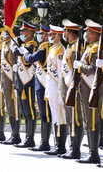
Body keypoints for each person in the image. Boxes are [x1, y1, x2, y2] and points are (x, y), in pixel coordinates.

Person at [73, 19, 103, 164]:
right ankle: (92, 152)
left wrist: (79, 66)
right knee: (88, 121)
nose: (86, 35)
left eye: (88, 32)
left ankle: (93, 154)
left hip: (92, 90)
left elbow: (93, 69)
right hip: (85, 90)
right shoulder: (90, 47)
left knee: (92, 121)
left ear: (93, 33)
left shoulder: (96, 48)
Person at [21, 25, 52, 151]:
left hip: (44, 84)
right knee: (44, 114)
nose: (39, 36)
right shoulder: (43, 47)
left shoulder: (45, 48)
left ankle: (45, 143)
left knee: (46, 114)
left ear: (45, 35)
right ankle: (43, 142)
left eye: (41, 34)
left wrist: (25, 52)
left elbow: (31, 59)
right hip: (40, 84)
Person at [59, 19, 84, 159]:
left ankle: (75, 150)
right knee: (70, 119)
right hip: (66, 88)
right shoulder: (69, 46)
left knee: (76, 119)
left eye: (65, 30)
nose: (64, 33)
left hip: (72, 88)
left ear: (69, 32)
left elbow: (76, 72)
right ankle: (71, 147)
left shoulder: (76, 48)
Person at [11, 21, 38, 148]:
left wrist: (14, 47)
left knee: (29, 110)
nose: (21, 33)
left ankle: (30, 138)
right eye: (21, 31)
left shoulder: (32, 45)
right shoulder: (25, 45)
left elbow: (23, 55)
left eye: (23, 31)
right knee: (24, 110)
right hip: (20, 82)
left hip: (28, 82)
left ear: (30, 33)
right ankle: (27, 137)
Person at [43, 25, 67, 156]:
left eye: (52, 35)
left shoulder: (60, 51)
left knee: (60, 117)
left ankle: (61, 146)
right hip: (51, 88)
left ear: (58, 36)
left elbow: (60, 72)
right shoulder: (53, 49)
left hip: (57, 89)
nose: (50, 37)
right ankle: (56, 144)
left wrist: (60, 91)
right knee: (55, 117)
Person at [0, 31, 21, 145]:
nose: (3, 33)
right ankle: (13, 134)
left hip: (12, 81)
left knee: (13, 107)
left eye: (5, 31)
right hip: (5, 81)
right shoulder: (5, 44)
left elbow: (16, 61)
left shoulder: (13, 43)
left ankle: (16, 135)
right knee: (9, 106)